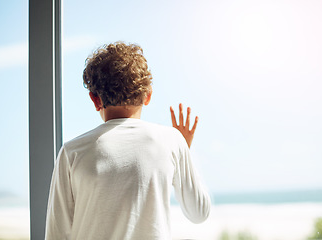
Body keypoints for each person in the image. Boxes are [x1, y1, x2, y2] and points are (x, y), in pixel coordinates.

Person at [45, 42, 211, 240]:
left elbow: (56, 234)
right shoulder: (171, 140)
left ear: (95, 99)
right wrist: (184, 148)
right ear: (147, 96)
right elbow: (199, 213)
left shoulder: (72, 151)